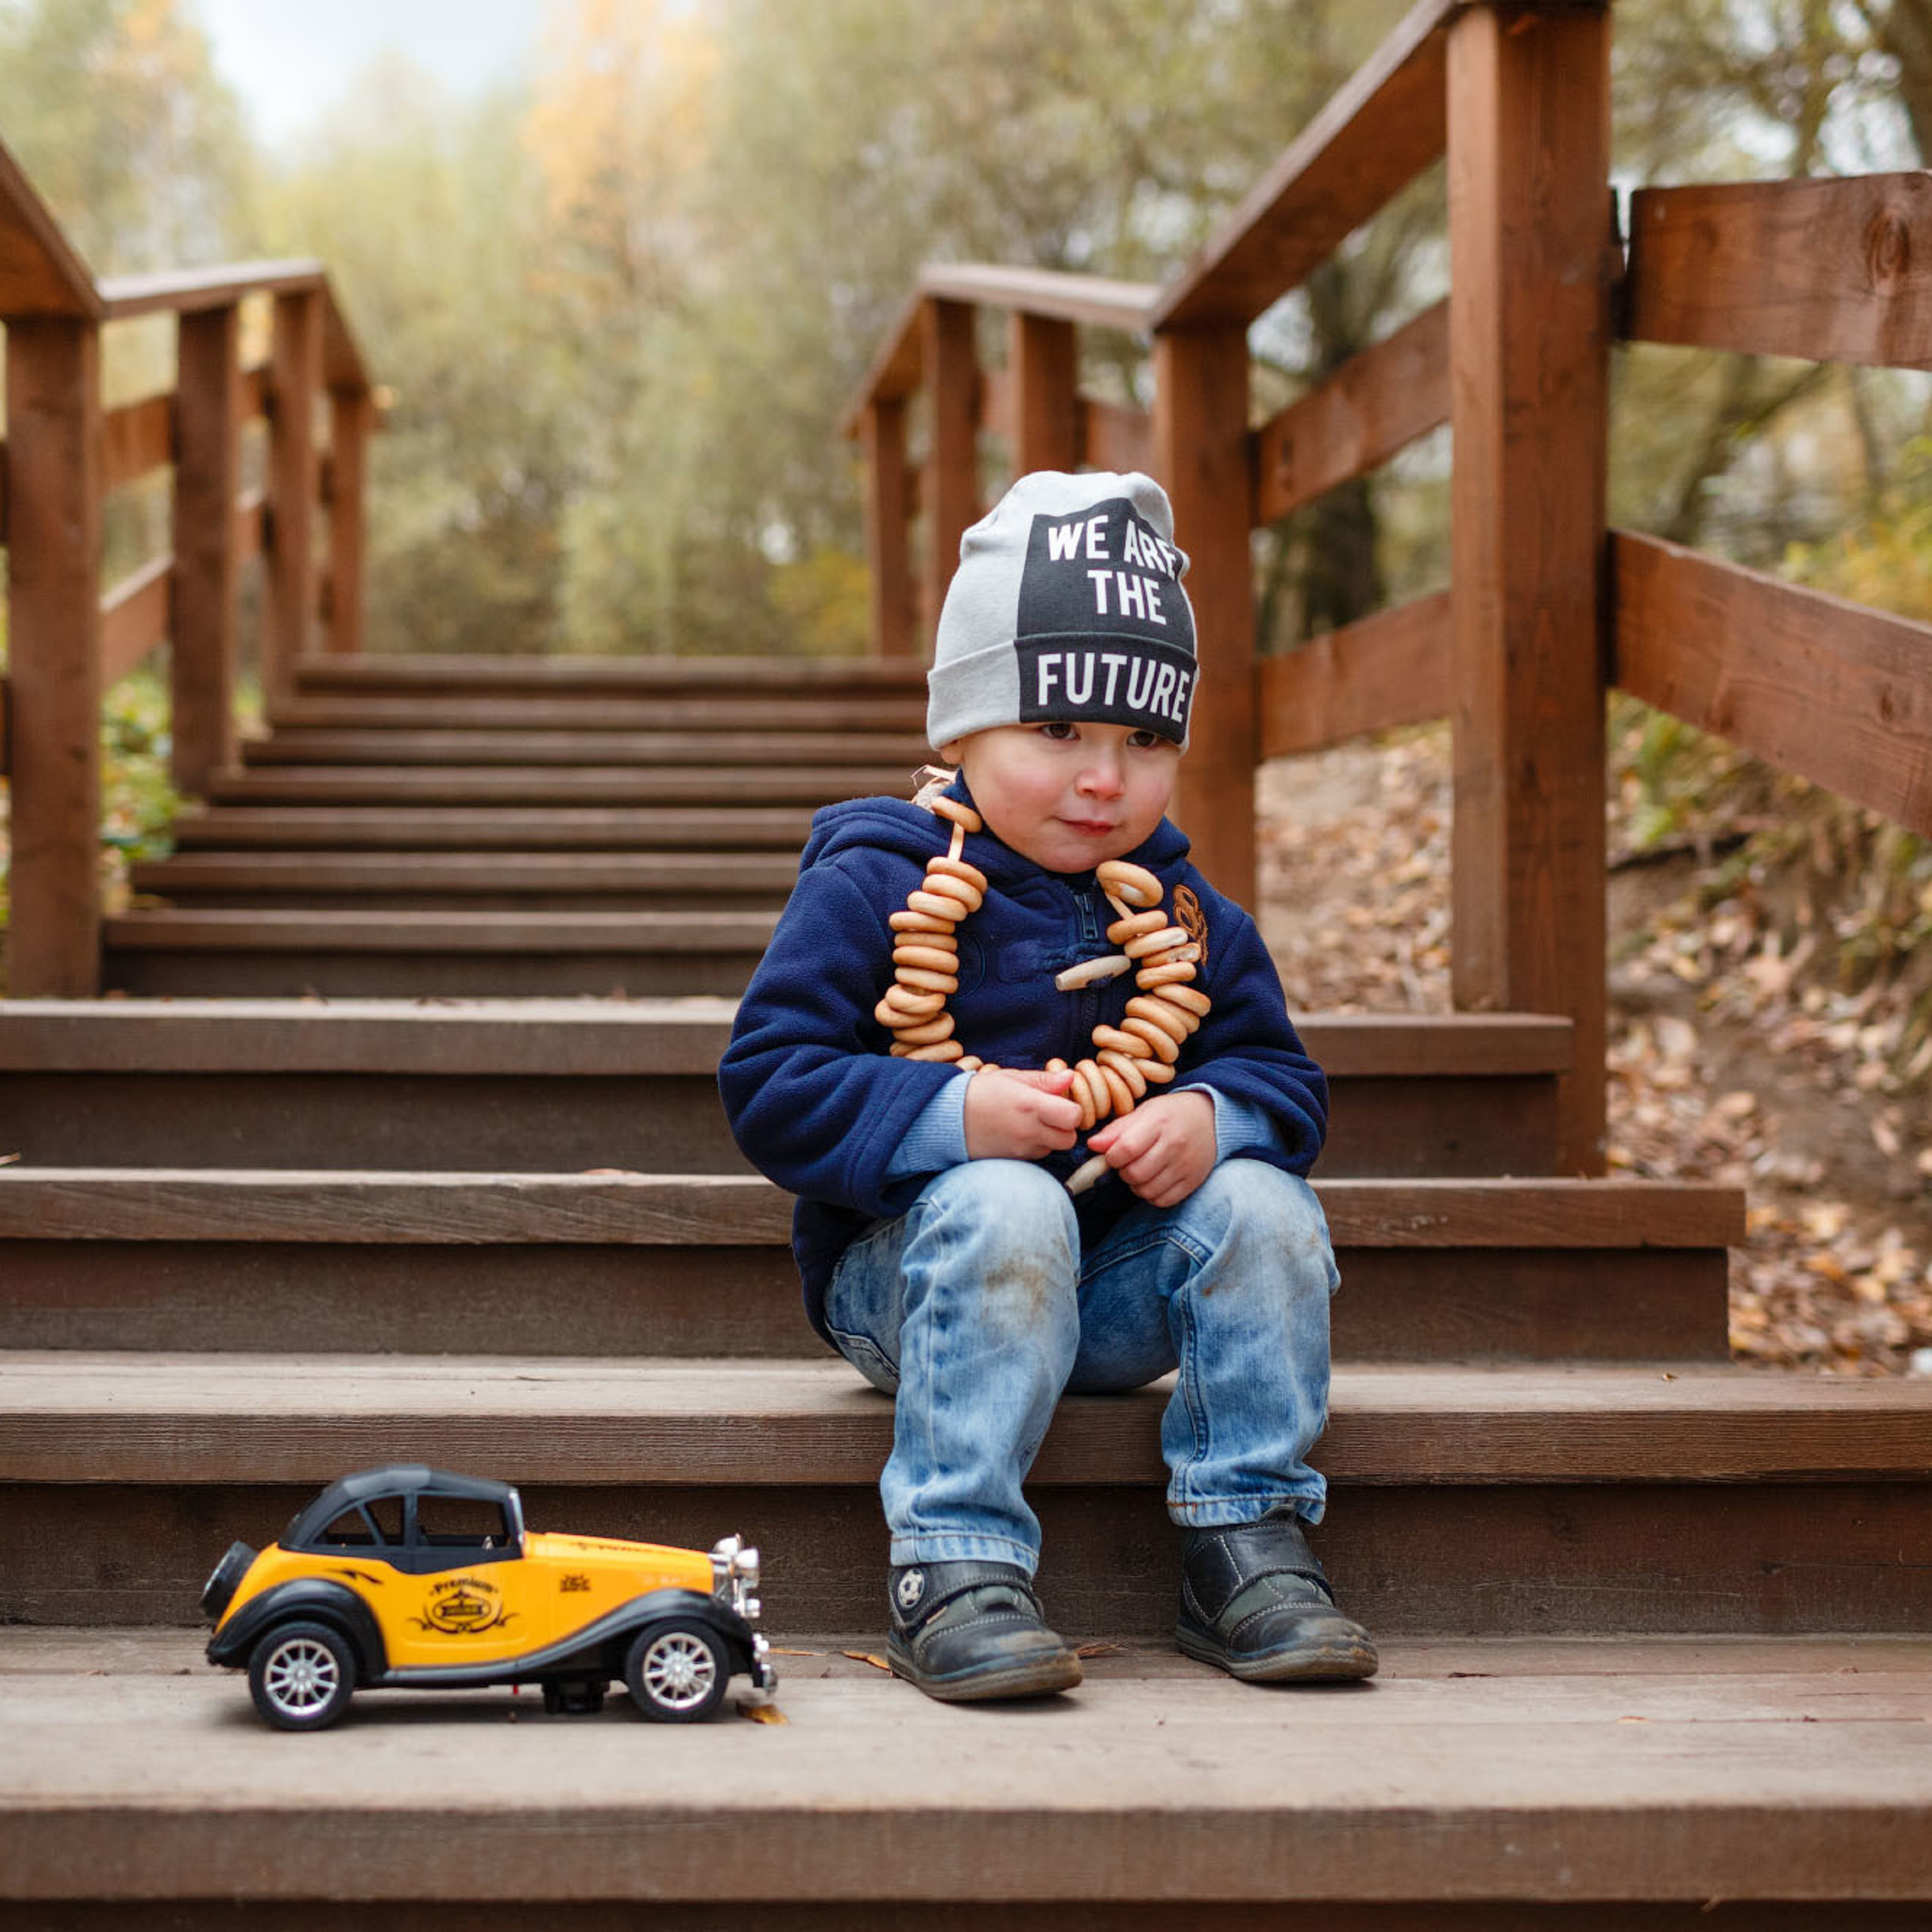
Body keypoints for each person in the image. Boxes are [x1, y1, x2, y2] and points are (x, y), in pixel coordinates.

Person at [719, 469, 1376, 1702]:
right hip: (914, 1285)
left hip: (1118, 1292)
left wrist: (1213, 1115)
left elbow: (1284, 1079)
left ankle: (1246, 1540)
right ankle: (954, 1562)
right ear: (961, 732)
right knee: (1007, 1201)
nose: (1104, 779)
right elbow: (769, 1081)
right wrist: (948, 1119)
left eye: (1145, 741)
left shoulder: (1190, 921)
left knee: (1268, 1204)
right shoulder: (873, 884)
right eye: (1059, 731)